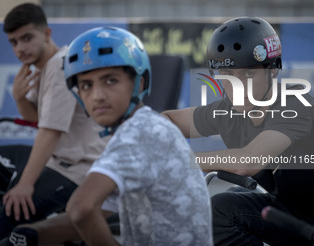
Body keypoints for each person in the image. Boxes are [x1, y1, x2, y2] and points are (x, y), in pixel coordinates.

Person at [0, 26, 212, 246]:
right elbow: (95, 213)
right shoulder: (139, 127)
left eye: (110, 80)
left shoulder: (138, 134)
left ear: (139, 83)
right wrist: (27, 234)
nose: (97, 96)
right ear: (79, 95)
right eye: (86, 85)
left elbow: (80, 210)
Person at [162, 17, 314, 246]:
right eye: (226, 75)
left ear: (272, 71)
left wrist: (176, 161)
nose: (236, 86)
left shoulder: (295, 103)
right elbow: (167, 121)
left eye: (247, 74)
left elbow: (248, 161)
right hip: (298, 212)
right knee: (224, 208)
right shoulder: (227, 111)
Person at [0, 3, 109, 238]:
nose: (20, 48)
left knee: (8, 215)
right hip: (58, 159)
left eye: (27, 38)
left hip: (79, 168)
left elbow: (50, 131)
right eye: (14, 42)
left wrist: (25, 185)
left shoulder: (62, 65)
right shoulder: (42, 67)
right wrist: (19, 98)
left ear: (47, 34)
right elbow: (39, 121)